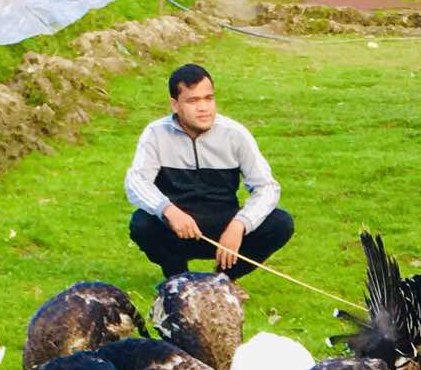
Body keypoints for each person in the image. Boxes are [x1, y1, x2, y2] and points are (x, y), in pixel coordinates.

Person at [125, 63, 294, 281]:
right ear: (175, 105)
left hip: (223, 225)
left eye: (208, 98)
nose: (204, 108)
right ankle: (178, 281)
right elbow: (136, 181)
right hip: (177, 227)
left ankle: (222, 281)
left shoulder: (235, 134)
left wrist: (240, 225)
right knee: (142, 223)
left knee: (281, 223)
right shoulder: (156, 134)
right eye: (193, 101)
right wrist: (168, 210)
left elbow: (267, 187)